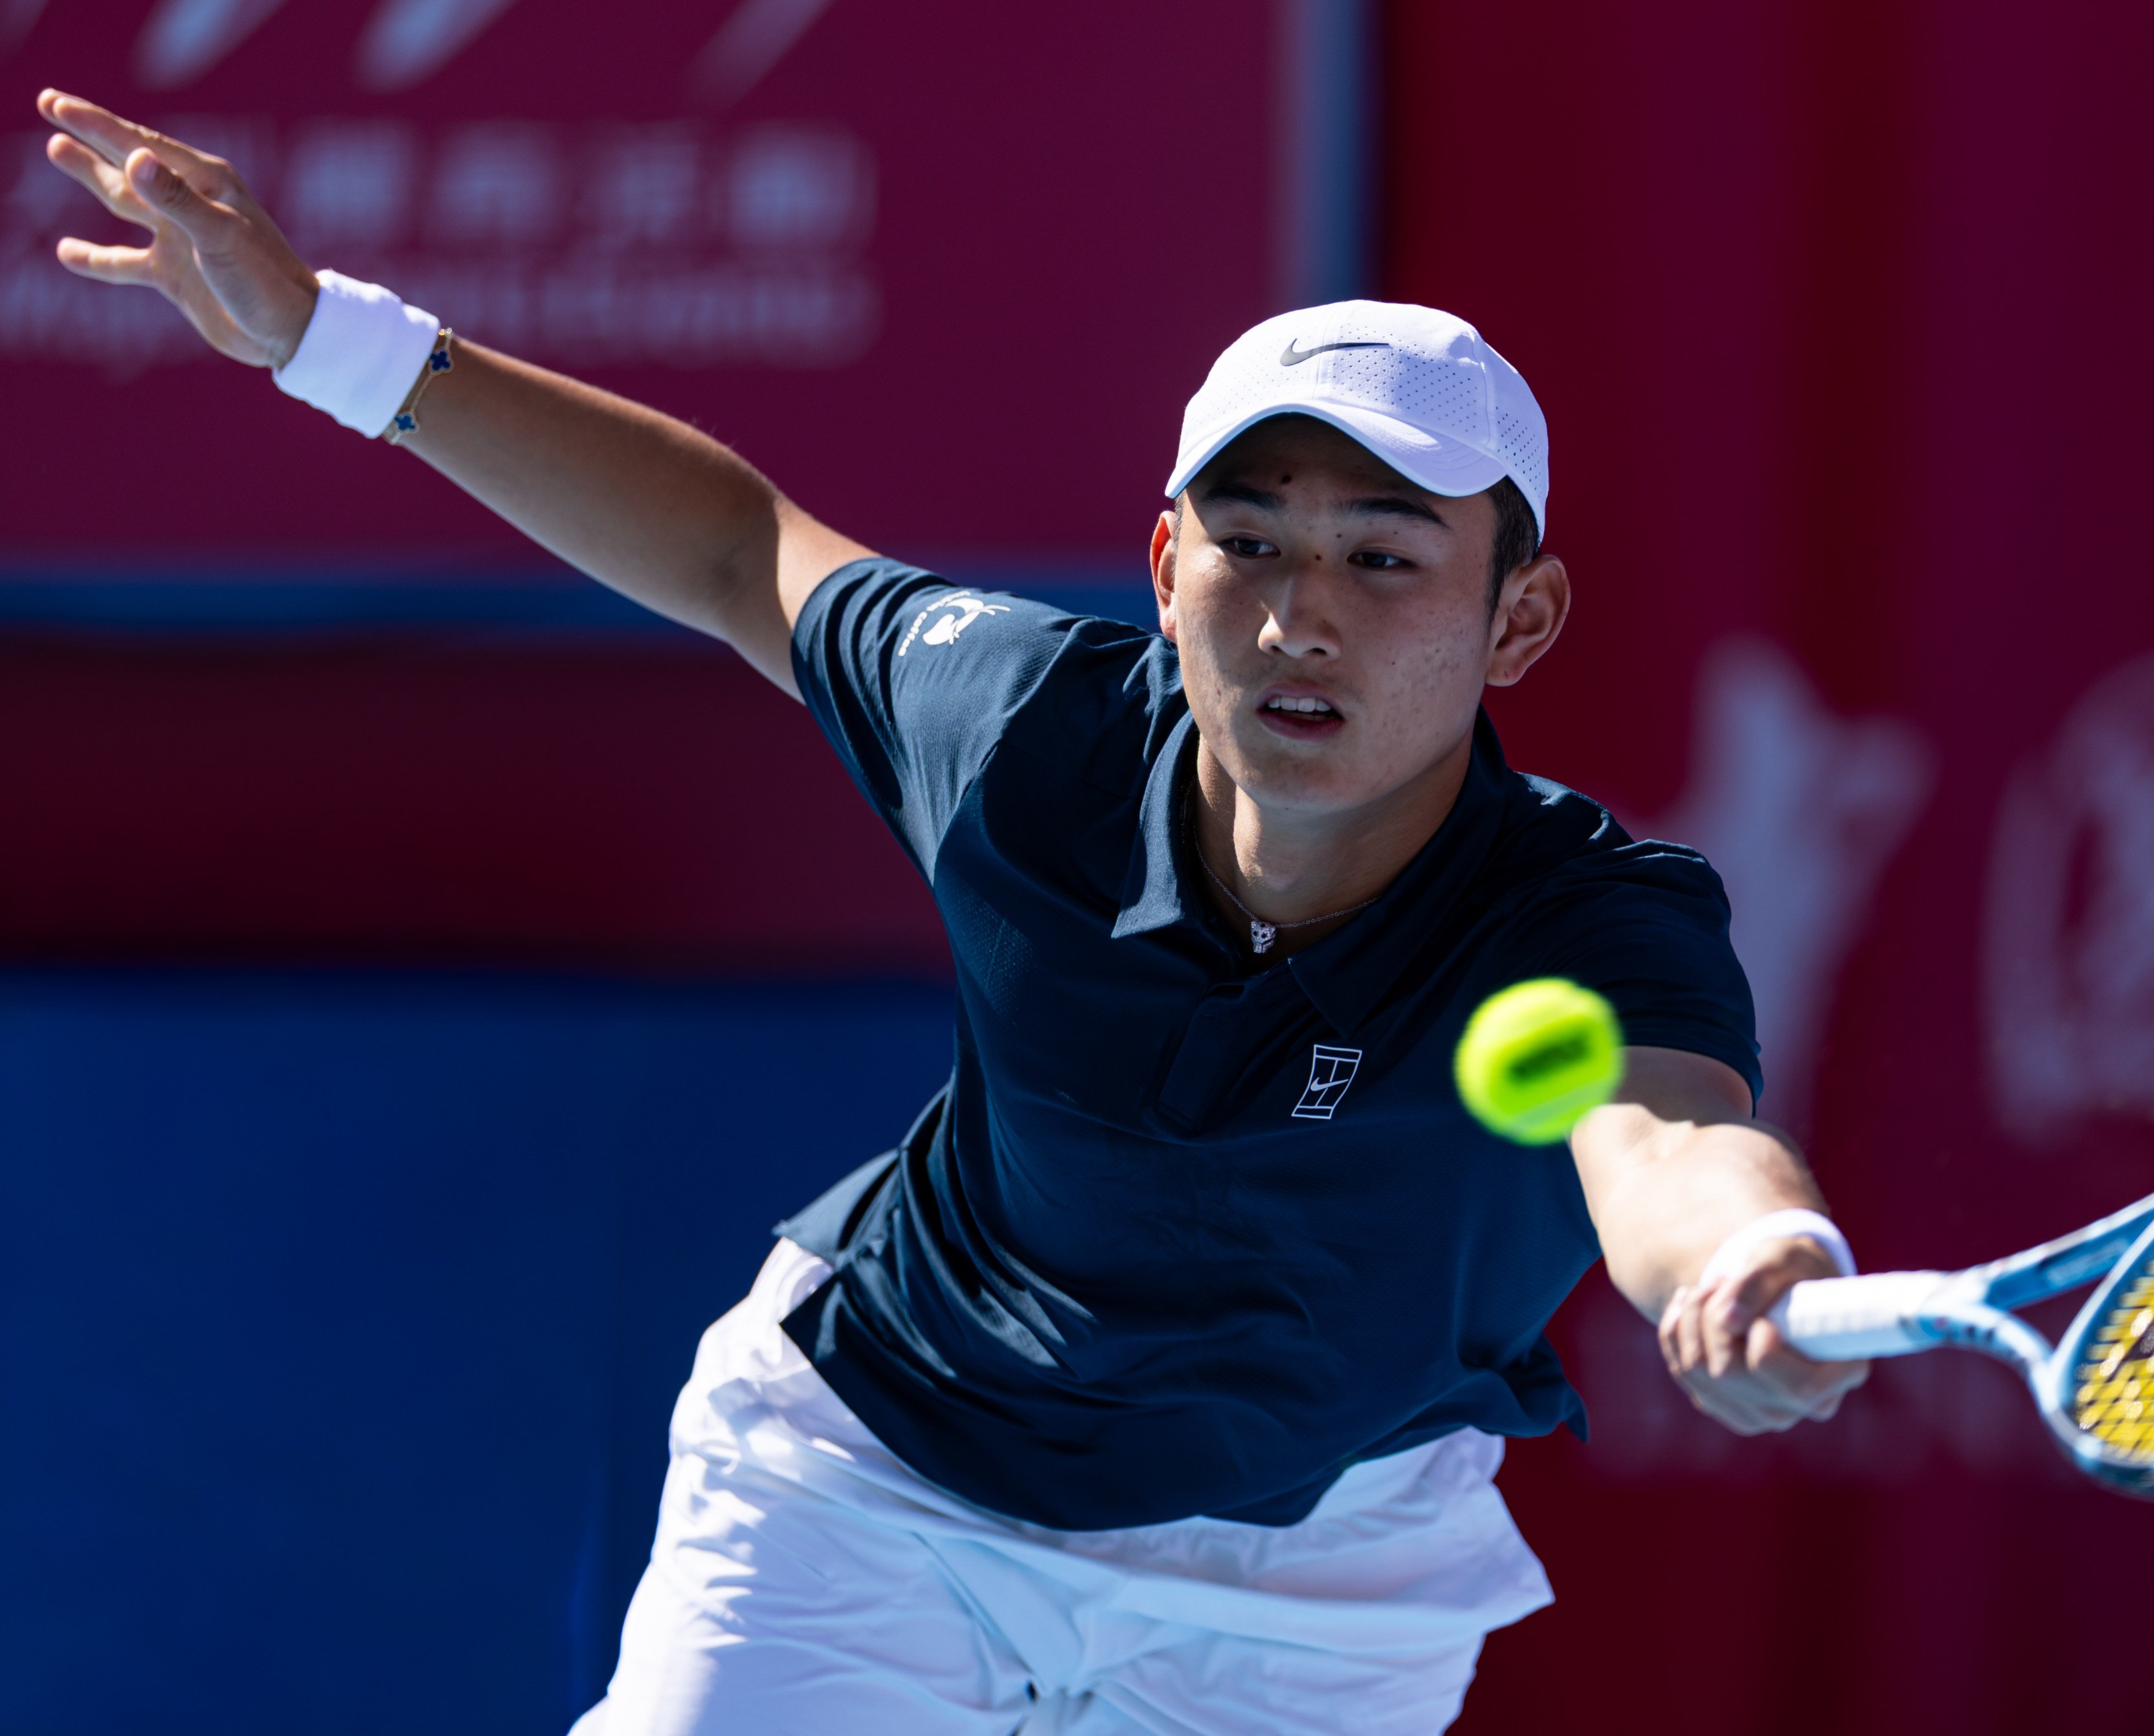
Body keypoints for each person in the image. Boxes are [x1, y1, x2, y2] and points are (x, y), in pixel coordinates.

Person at [34, 90, 1870, 1735]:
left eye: (1384, 560)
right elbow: (738, 549)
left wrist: (1745, 1254)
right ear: (1166, 565)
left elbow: (1666, 1137)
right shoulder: (1024, 735)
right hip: (877, 1485)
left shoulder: (1586, 920)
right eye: (1249, 543)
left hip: (1319, 1588)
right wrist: (328, 339)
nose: (1299, 617)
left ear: (1515, 621)